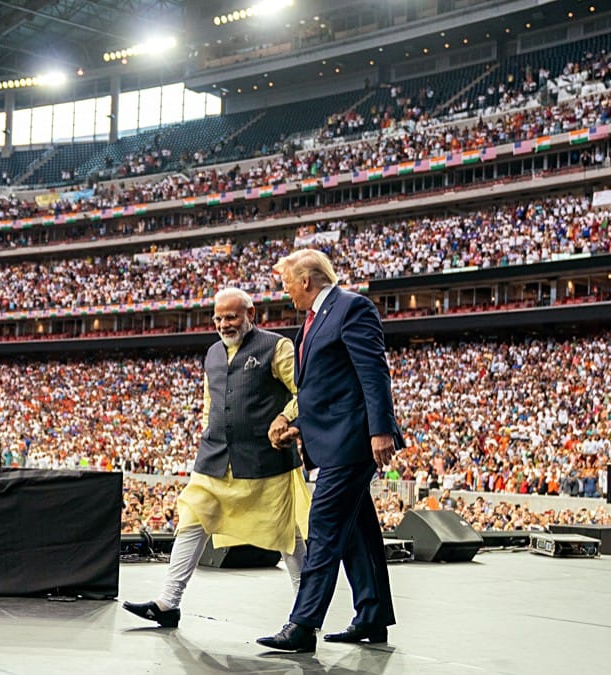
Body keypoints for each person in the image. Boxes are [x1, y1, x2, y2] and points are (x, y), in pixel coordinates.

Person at [122, 287, 310, 628]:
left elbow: (304, 390)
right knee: (191, 521)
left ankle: (305, 614)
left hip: (264, 460)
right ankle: (168, 603)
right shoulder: (211, 353)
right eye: (219, 318)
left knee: (287, 536)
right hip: (214, 458)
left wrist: (287, 419)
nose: (224, 324)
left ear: (250, 314)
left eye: (232, 317)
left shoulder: (277, 347)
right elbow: (213, 402)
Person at [257, 249, 401, 653]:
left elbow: (373, 372)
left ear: (306, 280)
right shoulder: (311, 322)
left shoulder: (352, 308)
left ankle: (303, 624)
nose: (285, 291)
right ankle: (371, 615)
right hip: (331, 440)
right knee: (358, 532)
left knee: (322, 530)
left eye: (286, 282)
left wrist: (381, 431)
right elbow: (327, 390)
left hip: (352, 443)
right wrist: (296, 424)